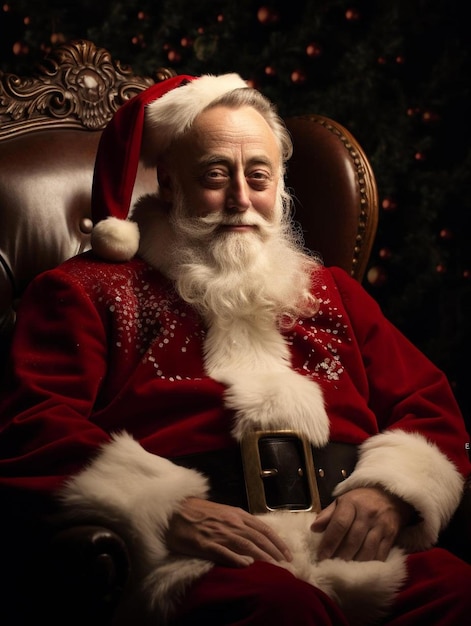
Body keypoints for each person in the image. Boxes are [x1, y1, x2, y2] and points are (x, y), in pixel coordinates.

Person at [0, 72, 470, 625]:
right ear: (169, 184)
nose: (242, 199)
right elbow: (32, 425)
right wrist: (163, 510)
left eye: (259, 175)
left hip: (350, 549)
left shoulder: (332, 292)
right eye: (216, 174)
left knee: (458, 592)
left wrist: (392, 493)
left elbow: (430, 406)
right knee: (281, 611)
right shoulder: (87, 291)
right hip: (195, 555)